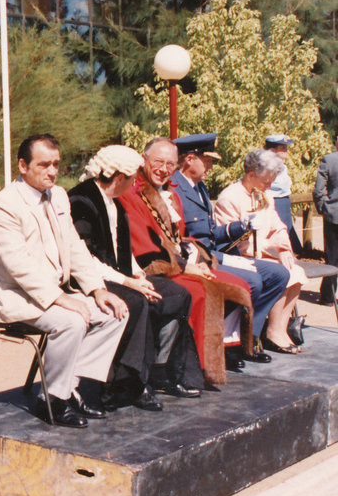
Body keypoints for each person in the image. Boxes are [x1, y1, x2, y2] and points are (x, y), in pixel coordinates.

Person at [0, 134, 128, 427]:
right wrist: (61, 299)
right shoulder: (3, 205)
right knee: (72, 321)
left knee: (116, 312)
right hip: (17, 296)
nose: (52, 171)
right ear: (23, 166)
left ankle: (68, 387)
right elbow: (18, 266)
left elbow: (75, 247)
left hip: (53, 292)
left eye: (56, 164)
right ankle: (53, 399)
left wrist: (97, 289)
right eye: (44, 165)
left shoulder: (59, 196)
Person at [68, 145, 200, 408]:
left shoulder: (113, 200)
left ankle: (160, 372)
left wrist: (139, 277)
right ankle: (124, 385)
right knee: (137, 302)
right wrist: (129, 283)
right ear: (119, 178)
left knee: (176, 294)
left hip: (117, 275)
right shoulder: (82, 201)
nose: (133, 185)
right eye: (131, 179)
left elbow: (123, 249)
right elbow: (83, 260)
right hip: (89, 281)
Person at [119, 137, 252, 384]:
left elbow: (178, 237)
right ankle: (183, 369)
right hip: (150, 268)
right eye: (158, 162)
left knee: (239, 284)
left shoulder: (171, 194)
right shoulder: (131, 192)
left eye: (170, 164)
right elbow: (144, 246)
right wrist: (186, 266)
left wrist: (197, 257)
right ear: (144, 159)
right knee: (200, 293)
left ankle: (219, 353)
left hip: (176, 262)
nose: (164, 169)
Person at [171, 133, 289, 364]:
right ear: (189, 160)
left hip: (214, 253)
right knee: (252, 282)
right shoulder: (175, 188)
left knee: (278, 275)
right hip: (196, 258)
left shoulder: (199, 187)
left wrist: (240, 226)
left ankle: (248, 338)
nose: (211, 167)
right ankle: (224, 343)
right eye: (207, 161)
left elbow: (212, 232)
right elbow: (182, 237)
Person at [214, 149, 306, 354]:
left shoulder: (265, 195)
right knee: (282, 274)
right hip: (240, 257)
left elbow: (278, 226)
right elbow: (228, 241)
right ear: (251, 175)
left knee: (296, 271)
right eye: (266, 181)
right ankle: (268, 332)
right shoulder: (230, 197)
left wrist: (283, 248)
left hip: (261, 254)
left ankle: (278, 329)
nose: (269, 186)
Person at [264, 134, 303, 254]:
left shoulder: (281, 165)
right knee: (278, 236)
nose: (286, 150)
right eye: (282, 148)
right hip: (275, 202)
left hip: (283, 202)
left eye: (286, 147)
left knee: (286, 233)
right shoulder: (268, 165)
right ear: (272, 150)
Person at [313, 133, 338, 306]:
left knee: (332, 256)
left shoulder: (329, 160)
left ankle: (328, 297)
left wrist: (322, 207)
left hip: (333, 214)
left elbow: (318, 191)